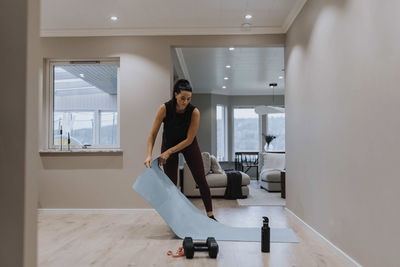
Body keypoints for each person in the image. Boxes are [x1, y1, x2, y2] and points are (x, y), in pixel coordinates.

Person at [144, 79, 216, 220]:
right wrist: (148, 155)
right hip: (168, 143)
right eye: (182, 98)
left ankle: (210, 215)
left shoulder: (194, 112)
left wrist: (169, 152)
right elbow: (152, 134)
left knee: (201, 179)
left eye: (188, 99)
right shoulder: (164, 109)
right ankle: (174, 218)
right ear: (175, 94)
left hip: (188, 145)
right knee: (171, 185)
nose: (185, 102)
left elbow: (189, 139)